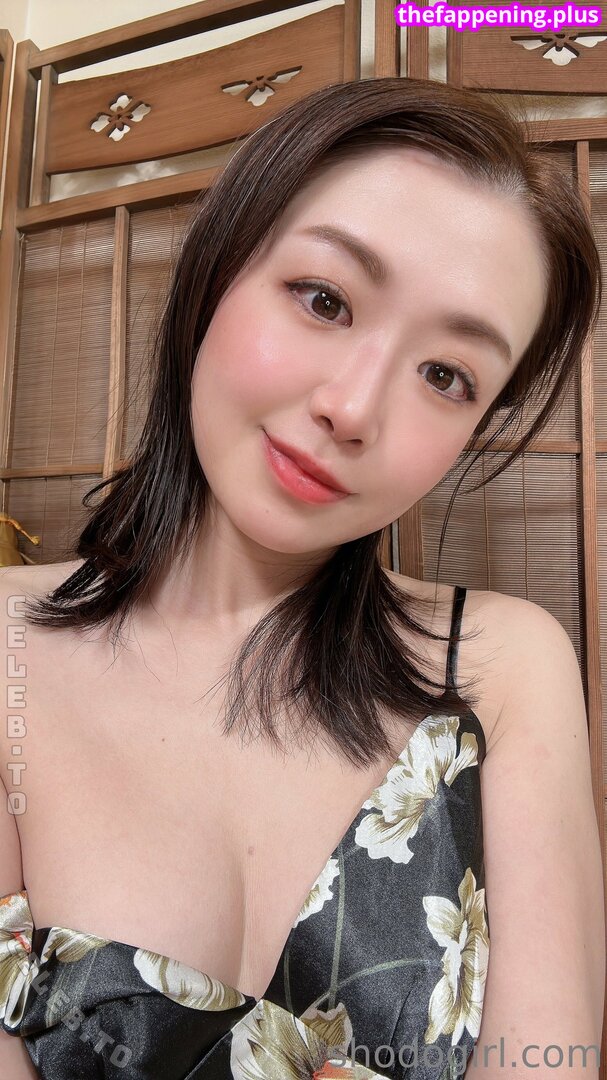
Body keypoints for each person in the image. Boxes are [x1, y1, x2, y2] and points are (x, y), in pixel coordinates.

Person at [0, 75, 604, 1080]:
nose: (354, 408)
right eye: (324, 299)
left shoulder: (502, 668)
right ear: (218, 265)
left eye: (445, 375)